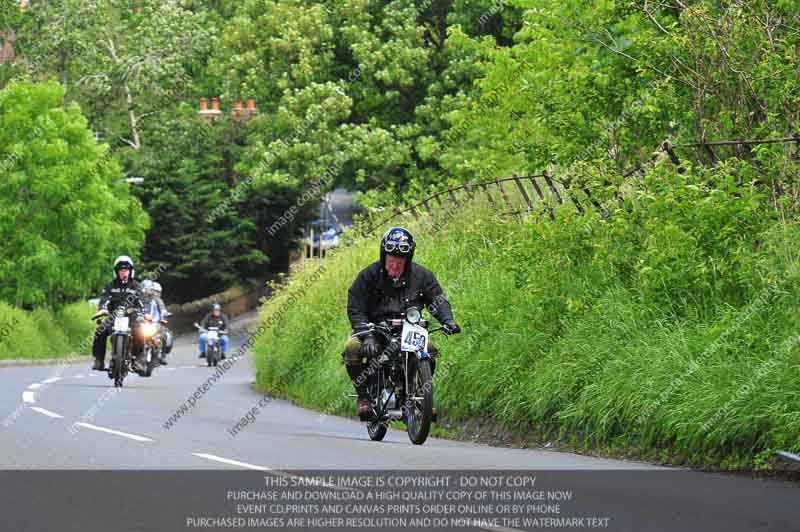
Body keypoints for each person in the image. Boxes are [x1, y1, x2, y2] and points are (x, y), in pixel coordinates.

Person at [344, 227, 461, 419]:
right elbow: (355, 307)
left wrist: (448, 320)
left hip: (409, 330)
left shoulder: (423, 276)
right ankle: (364, 398)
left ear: (408, 259)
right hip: (374, 330)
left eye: (400, 261)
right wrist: (366, 336)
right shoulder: (368, 275)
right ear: (384, 256)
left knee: (430, 349)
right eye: (391, 260)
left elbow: (437, 300)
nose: (395, 265)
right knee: (352, 348)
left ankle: (422, 397)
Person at [92, 256, 147, 373]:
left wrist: (145, 313)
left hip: (132, 316)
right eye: (121, 270)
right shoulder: (110, 286)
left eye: (126, 270)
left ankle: (139, 359)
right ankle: (99, 359)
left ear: (131, 271)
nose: (123, 272)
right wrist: (102, 309)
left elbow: (143, 301)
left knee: (140, 331)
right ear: (116, 272)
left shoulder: (136, 286)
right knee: (100, 330)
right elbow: (105, 299)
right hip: (113, 316)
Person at [140, 280, 171, 365]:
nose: (147, 291)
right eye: (145, 289)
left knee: (164, 334)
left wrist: (163, 316)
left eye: (149, 289)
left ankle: (162, 355)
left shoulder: (156, 300)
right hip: (140, 323)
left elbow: (162, 308)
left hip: (154, 323)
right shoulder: (138, 299)